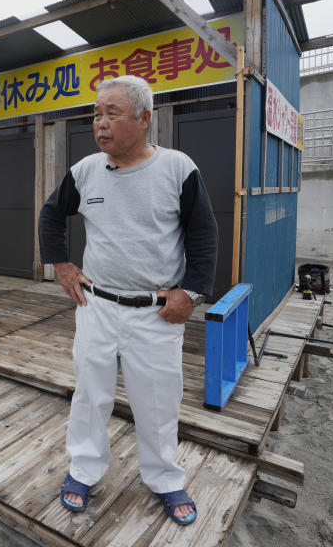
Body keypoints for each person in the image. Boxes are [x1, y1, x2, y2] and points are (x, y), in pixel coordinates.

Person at [38, 75, 218, 525]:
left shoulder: (177, 169)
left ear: (143, 119)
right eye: (96, 114)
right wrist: (61, 266)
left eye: (111, 114)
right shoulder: (85, 171)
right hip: (96, 305)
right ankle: (83, 469)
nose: (100, 123)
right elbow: (50, 215)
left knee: (157, 400)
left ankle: (164, 478)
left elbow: (204, 235)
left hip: (155, 313)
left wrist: (191, 293)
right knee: (90, 394)